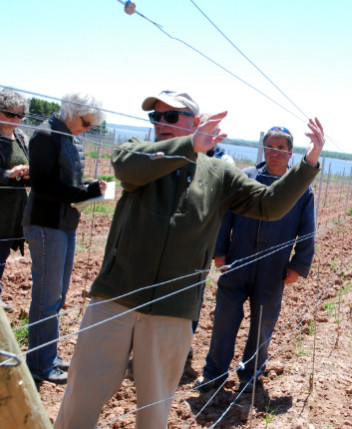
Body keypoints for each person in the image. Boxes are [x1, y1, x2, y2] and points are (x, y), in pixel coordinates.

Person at [55, 90, 325, 429]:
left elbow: (270, 205)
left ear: (195, 122)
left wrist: (309, 162)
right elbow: (127, 168)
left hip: (173, 311)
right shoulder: (139, 152)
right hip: (114, 299)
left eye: (171, 117)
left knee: (153, 410)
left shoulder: (219, 173)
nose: (161, 123)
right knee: (80, 400)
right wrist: (188, 146)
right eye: (157, 117)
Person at [194, 126, 315, 393]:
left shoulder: (301, 189)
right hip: (238, 260)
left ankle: (251, 373)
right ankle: (214, 373)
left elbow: (308, 230)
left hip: (274, 268)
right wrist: (219, 251)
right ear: (264, 149)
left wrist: (298, 265)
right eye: (270, 147)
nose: (275, 152)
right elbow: (224, 216)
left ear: (290, 152)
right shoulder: (245, 177)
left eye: (281, 148)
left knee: (263, 323)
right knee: (225, 317)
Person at [22, 92, 107, 384]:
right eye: (85, 122)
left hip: (65, 224)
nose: (87, 129)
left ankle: (46, 357)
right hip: (46, 225)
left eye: (91, 126)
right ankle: (40, 365)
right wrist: (85, 194)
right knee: (47, 298)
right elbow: (44, 186)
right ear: (71, 112)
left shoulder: (71, 137)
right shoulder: (46, 135)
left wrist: (90, 187)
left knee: (56, 296)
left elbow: (68, 183)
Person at [0, 89, 30, 312]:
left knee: (2, 254)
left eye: (21, 116)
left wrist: (27, 173)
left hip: (13, 210)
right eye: (12, 114)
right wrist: (8, 174)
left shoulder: (21, 138)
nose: (17, 120)